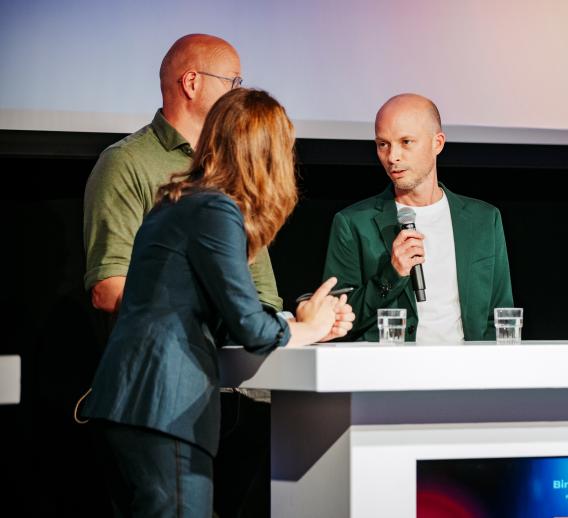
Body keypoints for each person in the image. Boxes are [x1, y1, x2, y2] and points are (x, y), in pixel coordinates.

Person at [80, 88, 355, 517]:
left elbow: (225, 316)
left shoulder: (181, 201)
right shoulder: (215, 209)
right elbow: (249, 328)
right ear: (267, 153)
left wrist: (295, 322)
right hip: (162, 405)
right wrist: (311, 328)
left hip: (136, 404)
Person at [82, 34, 281, 515]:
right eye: (233, 81)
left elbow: (261, 294)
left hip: (233, 395)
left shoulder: (231, 175)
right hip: (164, 393)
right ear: (191, 82)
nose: (239, 92)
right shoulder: (129, 162)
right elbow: (109, 288)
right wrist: (235, 311)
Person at [323, 93, 513, 343]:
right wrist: (392, 274)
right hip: (391, 373)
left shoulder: (483, 220)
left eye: (406, 142)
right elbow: (333, 320)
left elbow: (498, 314)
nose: (392, 157)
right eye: (383, 144)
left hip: (465, 372)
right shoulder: (353, 223)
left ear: (438, 143)